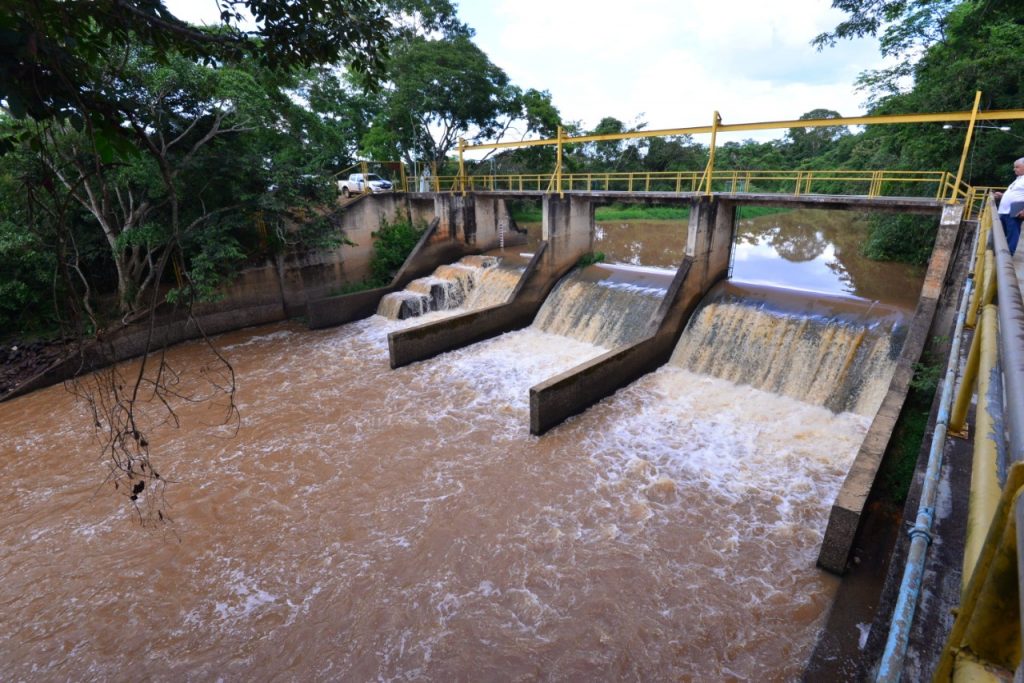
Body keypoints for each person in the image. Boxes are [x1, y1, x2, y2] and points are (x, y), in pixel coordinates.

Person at [994, 157, 1024, 254]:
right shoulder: (1018, 179)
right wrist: (1002, 196)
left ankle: (1008, 255)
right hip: (1004, 211)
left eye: (1017, 167)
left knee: (1012, 234)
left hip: (1014, 212)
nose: (1014, 169)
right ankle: (999, 253)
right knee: (1000, 234)